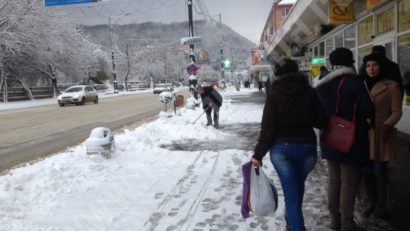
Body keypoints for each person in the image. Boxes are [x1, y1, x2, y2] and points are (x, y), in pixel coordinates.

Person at [251, 59, 327, 231]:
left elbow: (268, 128)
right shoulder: (310, 92)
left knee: (292, 195)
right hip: (307, 149)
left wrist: (258, 154)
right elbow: (321, 121)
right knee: (296, 190)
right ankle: (290, 223)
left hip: (282, 151)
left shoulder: (274, 94)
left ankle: (294, 225)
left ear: (278, 74)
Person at [314, 47, 375, 231]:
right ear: (350, 63)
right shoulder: (354, 81)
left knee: (333, 180)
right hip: (351, 139)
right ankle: (347, 223)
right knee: (349, 182)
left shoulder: (321, 83)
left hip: (329, 135)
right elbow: (367, 109)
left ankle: (334, 220)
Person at [359, 53, 403, 219]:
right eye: (368, 65)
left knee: (379, 170)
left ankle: (382, 205)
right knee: (367, 171)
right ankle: (371, 202)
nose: (371, 69)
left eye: (375, 65)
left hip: (381, 132)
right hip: (364, 133)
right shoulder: (361, 85)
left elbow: (397, 111)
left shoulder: (392, 86)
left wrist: (388, 124)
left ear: (381, 67)